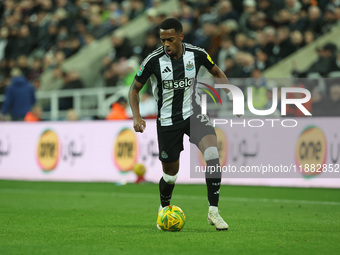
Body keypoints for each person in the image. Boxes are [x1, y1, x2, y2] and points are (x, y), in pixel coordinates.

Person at [129, 18, 236, 231]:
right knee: (170, 175)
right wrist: (137, 116)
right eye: (162, 40)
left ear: (180, 37)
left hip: (193, 114)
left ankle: (213, 212)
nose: (166, 44)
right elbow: (134, 90)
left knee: (213, 154)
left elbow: (216, 72)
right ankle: (164, 208)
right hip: (168, 121)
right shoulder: (153, 60)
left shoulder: (196, 54)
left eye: (170, 39)